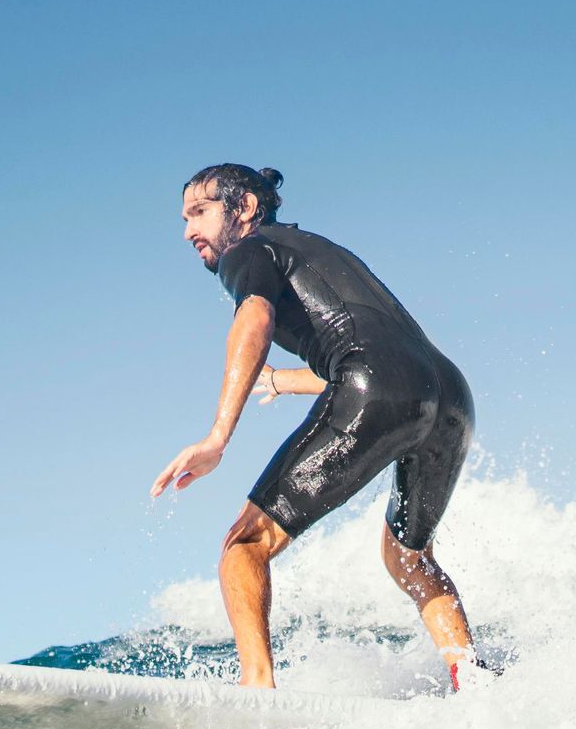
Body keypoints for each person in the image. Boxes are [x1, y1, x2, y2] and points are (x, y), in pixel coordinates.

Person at [150, 163, 481, 689]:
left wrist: (218, 437)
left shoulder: (248, 251)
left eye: (200, 213)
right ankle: (473, 677)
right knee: (408, 556)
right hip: (449, 397)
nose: (188, 231)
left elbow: (254, 321)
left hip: (378, 382)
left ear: (245, 209)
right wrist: (282, 382)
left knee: (244, 546)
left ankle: (256, 690)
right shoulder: (318, 251)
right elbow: (378, 361)